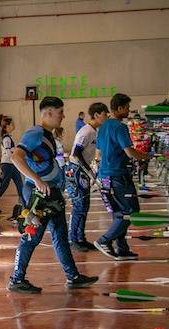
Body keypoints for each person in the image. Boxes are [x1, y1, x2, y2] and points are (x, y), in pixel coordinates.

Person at [6, 96, 98, 294]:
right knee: (32, 236)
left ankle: (73, 276)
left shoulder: (48, 134)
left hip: (52, 194)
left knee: (60, 236)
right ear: (48, 113)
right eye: (60, 112)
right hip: (40, 195)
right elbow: (16, 157)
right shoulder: (35, 133)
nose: (63, 116)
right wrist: (38, 180)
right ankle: (16, 279)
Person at [94, 93, 149, 261]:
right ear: (119, 108)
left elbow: (100, 152)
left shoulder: (103, 126)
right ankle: (104, 241)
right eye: (126, 107)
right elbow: (129, 151)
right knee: (131, 211)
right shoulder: (119, 127)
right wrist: (146, 156)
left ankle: (122, 249)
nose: (128, 110)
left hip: (106, 176)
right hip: (117, 176)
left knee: (119, 214)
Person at [66, 102, 108, 252]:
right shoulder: (86, 131)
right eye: (105, 114)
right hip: (76, 171)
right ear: (96, 115)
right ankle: (72, 239)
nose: (107, 116)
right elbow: (76, 154)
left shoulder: (94, 131)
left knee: (85, 206)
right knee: (78, 206)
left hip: (83, 171)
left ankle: (81, 238)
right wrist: (89, 171)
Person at [0, 116, 23, 214]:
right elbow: (8, 153)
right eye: (11, 124)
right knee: (3, 185)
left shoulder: (10, 137)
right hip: (7, 165)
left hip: (12, 164)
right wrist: (17, 160)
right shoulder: (6, 138)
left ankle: (24, 205)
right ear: (6, 126)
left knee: (20, 184)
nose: (13, 125)